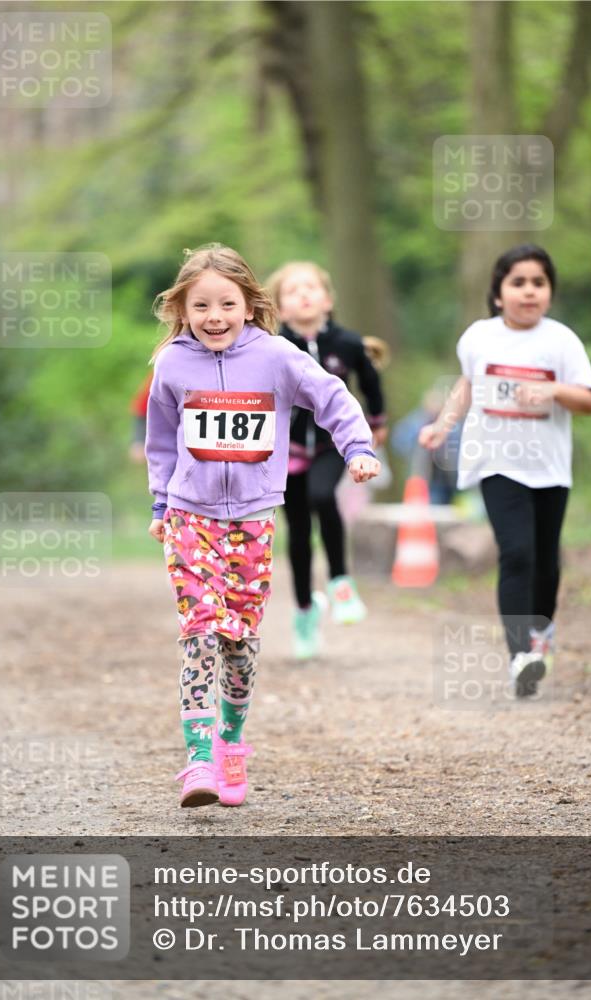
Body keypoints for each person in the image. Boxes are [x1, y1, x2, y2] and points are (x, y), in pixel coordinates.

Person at [145, 245, 380, 807]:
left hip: (252, 520)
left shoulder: (276, 356)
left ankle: (230, 743)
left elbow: (332, 395)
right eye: (201, 306)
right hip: (190, 515)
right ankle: (198, 760)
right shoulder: (172, 364)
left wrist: (357, 447)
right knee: (200, 629)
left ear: (250, 306)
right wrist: (160, 505)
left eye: (227, 304)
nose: (215, 317)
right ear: (182, 310)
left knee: (239, 642)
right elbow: (161, 440)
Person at [419, 244, 591, 697]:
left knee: (546, 561)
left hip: (548, 466)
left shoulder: (561, 341)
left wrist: (553, 391)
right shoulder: (479, 337)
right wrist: (442, 426)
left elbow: (588, 400)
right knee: (516, 553)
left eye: (539, 282)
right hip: (496, 461)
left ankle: (541, 632)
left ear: (550, 292)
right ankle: (521, 655)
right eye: (518, 282)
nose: (529, 291)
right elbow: (468, 384)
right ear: (498, 293)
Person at [267, 261, 388, 660]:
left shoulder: (348, 343)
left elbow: (371, 383)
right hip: (286, 449)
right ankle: (305, 611)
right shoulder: (272, 348)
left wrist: (377, 422)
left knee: (323, 496)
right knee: (299, 532)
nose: (303, 294)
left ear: (328, 300)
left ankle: (340, 582)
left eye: (311, 287)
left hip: (332, 444)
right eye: (292, 290)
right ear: (279, 308)